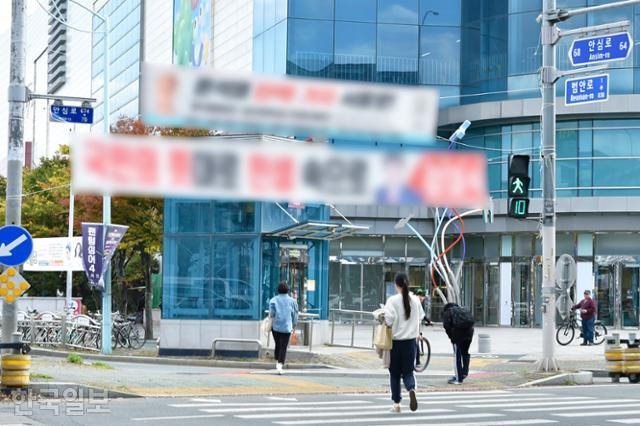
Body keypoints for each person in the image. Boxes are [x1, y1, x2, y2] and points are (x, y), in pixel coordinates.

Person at [383, 272, 424, 413]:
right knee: (408, 372)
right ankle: (411, 388)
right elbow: (420, 318)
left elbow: (388, 321)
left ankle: (397, 404)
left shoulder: (392, 301)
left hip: (395, 343)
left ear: (396, 284)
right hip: (411, 342)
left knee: (394, 374)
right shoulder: (416, 300)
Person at [269, 282, 299, 375]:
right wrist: (294, 325)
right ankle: (280, 364)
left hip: (276, 327)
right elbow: (295, 314)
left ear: (278, 290)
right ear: (287, 290)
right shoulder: (292, 301)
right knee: (283, 346)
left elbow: (272, 314)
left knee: (278, 344)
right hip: (286, 327)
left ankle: (277, 360)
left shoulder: (273, 300)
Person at [442, 303, 475, 385]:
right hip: (469, 334)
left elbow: (446, 326)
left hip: (457, 335)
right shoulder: (463, 310)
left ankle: (458, 378)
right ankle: (464, 373)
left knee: (457, 356)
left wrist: (451, 337)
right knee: (465, 353)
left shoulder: (447, 312)